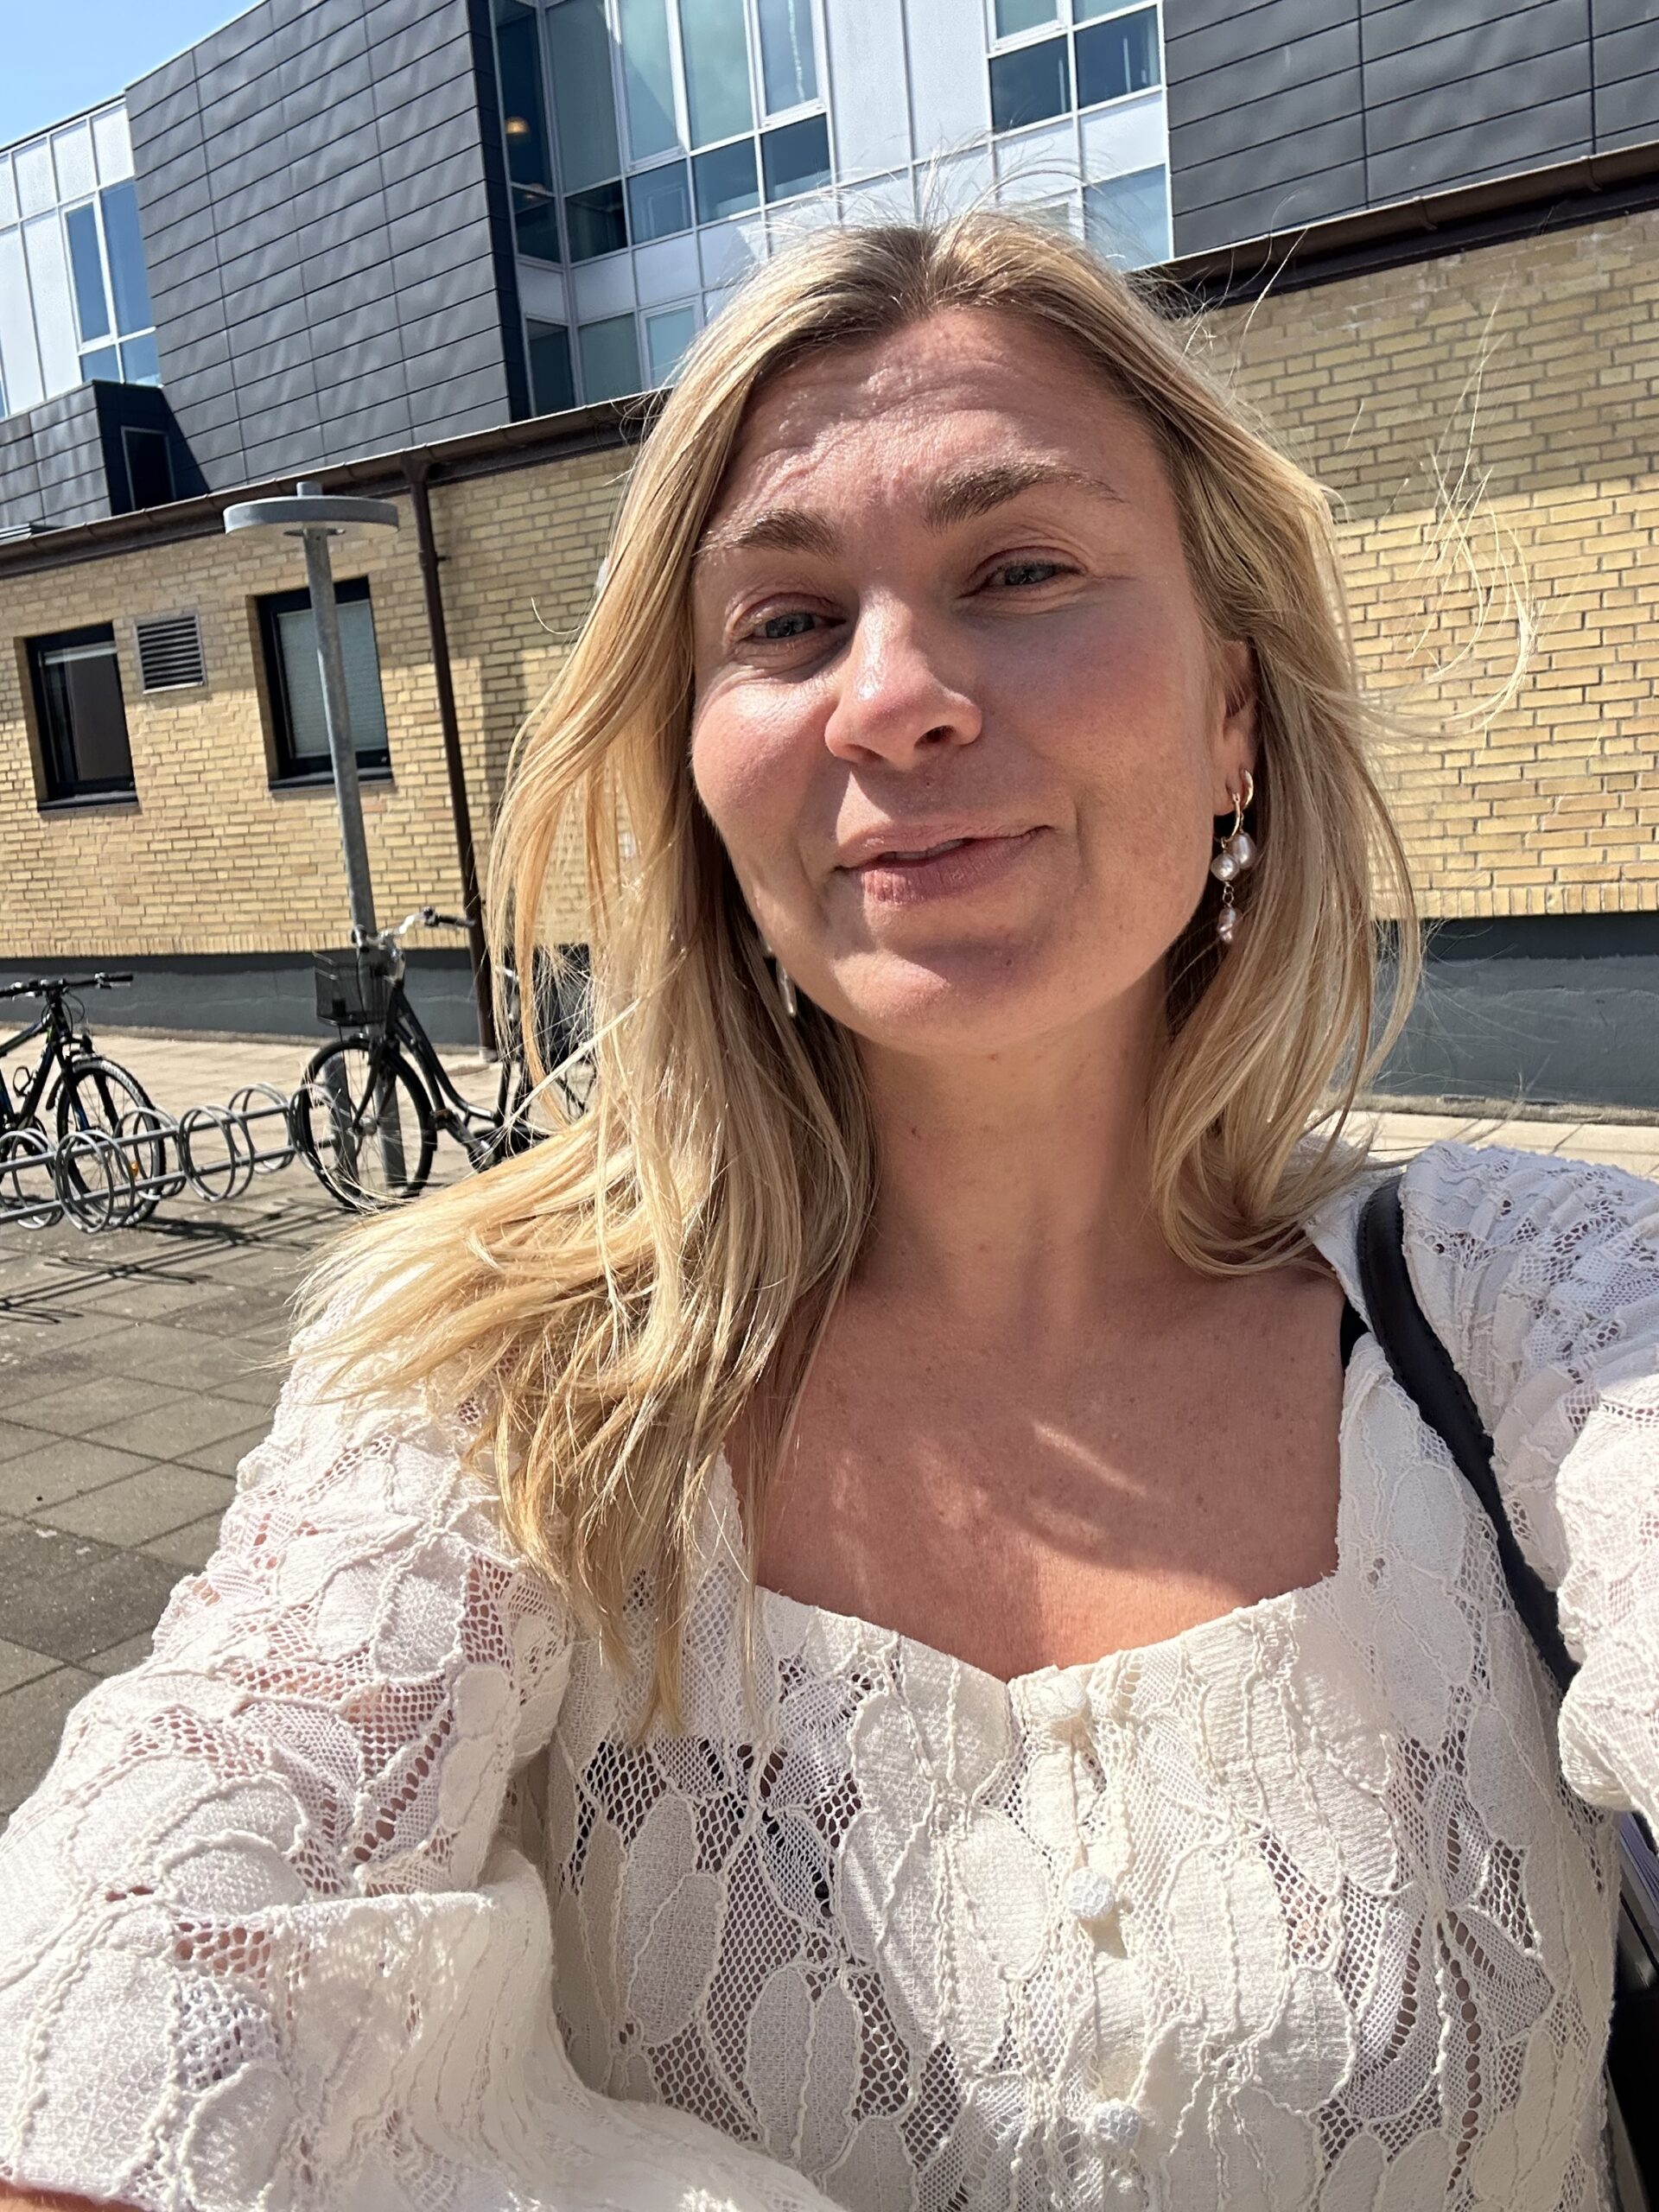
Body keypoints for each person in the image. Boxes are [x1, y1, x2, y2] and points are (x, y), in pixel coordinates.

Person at [1, 207, 1655, 2212]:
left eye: (1020, 568)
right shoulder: (498, 1388)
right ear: (701, 773)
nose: (894, 696)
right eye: (784, 620)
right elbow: (125, 1987)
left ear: (1233, 708)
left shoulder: (1539, 1307)